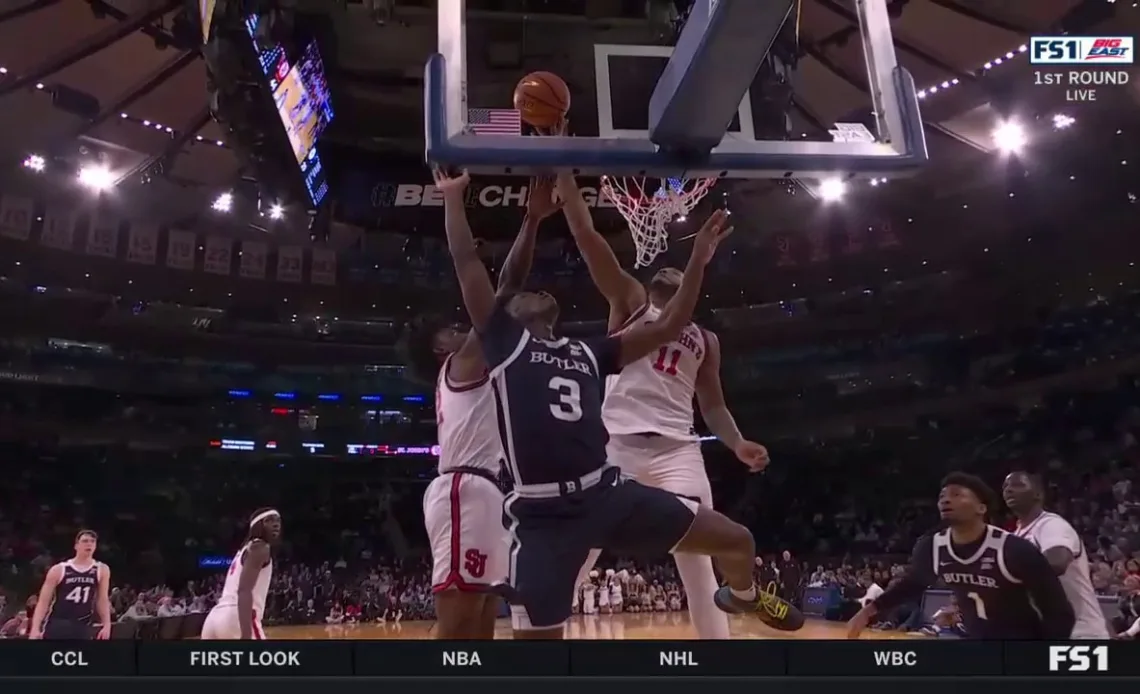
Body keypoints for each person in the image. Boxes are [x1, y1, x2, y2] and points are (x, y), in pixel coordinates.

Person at [433, 165, 803, 639]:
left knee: (728, 545)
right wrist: (456, 194)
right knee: (546, 614)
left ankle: (738, 610)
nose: (537, 293)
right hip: (561, 497)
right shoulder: (510, 345)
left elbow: (672, 331)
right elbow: (473, 264)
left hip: (632, 474)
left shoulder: (591, 350)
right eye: (526, 296)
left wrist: (698, 261)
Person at [554, 172, 769, 639]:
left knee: (698, 564)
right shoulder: (631, 303)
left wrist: (737, 443)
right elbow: (588, 238)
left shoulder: (707, 339)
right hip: (616, 447)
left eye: (681, 269)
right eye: (664, 270)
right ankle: (534, 641)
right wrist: (566, 182)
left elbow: (712, 406)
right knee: (579, 551)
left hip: (678, 452)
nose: (670, 269)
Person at [405, 176, 563, 639]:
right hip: (464, 490)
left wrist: (533, 219)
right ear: (441, 347)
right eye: (455, 328)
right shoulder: (463, 360)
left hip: (490, 492)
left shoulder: (491, 362)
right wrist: (454, 199)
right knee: (455, 627)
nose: (466, 327)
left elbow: (509, 289)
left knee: (480, 628)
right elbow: (500, 282)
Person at [847, 473, 1074, 640]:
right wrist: (868, 611)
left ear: (981, 508)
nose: (946, 500)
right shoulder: (932, 546)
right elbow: (912, 584)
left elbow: (1058, 611)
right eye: (942, 496)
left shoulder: (1014, 549)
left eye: (957, 495)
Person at [1002, 470, 1111, 639]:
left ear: (1038, 494)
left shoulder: (1051, 525)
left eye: (1018, 485)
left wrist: (1005, 576)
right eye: (1006, 486)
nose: (1008, 490)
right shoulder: (1016, 535)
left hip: (1081, 633)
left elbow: (1057, 562)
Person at [201, 509, 282, 640]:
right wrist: (245, 634)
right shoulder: (260, 548)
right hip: (236, 616)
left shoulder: (244, 550)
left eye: (278, 520)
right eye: (269, 520)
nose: (276, 524)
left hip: (214, 617)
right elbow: (244, 590)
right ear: (258, 526)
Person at [29, 530, 111, 640]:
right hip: (58, 622)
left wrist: (107, 624)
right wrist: (35, 628)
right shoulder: (59, 569)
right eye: (85, 541)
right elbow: (44, 601)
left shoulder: (101, 569)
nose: (89, 544)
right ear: (76, 546)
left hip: (83, 623)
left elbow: (102, 599)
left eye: (92, 541)